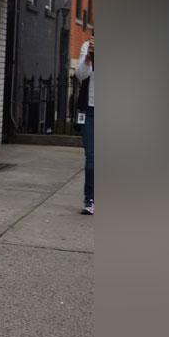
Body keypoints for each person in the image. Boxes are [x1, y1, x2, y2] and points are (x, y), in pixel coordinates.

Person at [75, 38, 95, 214]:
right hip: (90, 111)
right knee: (92, 159)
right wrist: (89, 56)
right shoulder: (88, 46)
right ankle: (90, 199)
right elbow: (80, 75)